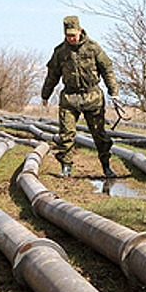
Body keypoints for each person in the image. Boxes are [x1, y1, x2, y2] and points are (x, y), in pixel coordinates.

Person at [41, 15, 120, 178]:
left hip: (92, 97)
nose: (71, 38)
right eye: (68, 35)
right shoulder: (60, 52)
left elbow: (107, 69)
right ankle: (66, 167)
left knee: (99, 134)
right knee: (66, 134)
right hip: (70, 97)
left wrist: (114, 92)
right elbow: (52, 75)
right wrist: (45, 95)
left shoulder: (93, 48)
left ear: (80, 31)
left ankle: (106, 166)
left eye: (73, 35)